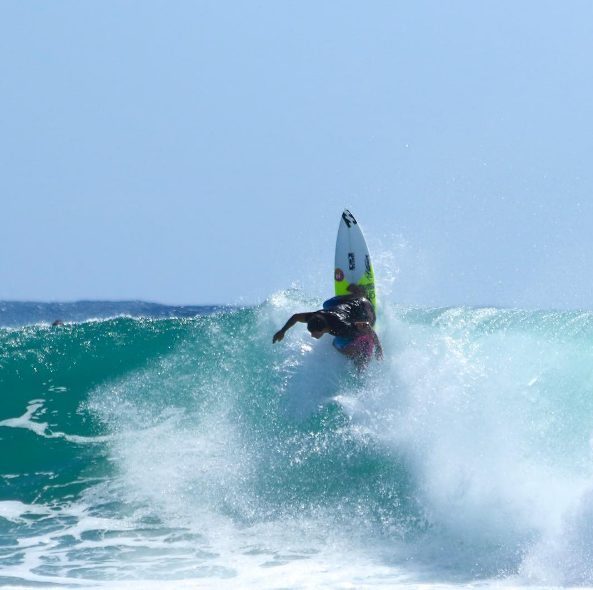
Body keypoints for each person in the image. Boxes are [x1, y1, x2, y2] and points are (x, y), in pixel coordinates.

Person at [272, 286, 383, 369]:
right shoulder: (316, 316)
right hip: (350, 304)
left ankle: (361, 293)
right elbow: (296, 317)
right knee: (327, 304)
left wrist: (378, 347)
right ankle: (356, 294)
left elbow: (367, 327)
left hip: (365, 310)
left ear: (323, 329)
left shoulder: (342, 327)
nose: (312, 335)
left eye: (314, 333)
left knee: (337, 344)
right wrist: (282, 331)